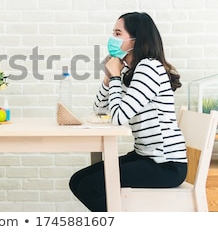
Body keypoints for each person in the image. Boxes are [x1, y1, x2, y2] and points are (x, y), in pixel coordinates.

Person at [69, 12, 187, 212]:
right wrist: (109, 78)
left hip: (165, 164)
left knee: (90, 186)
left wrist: (115, 76)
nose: (112, 39)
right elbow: (99, 110)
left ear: (136, 39)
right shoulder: (131, 71)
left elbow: (117, 118)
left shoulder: (149, 68)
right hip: (144, 156)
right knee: (78, 181)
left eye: (117, 33)